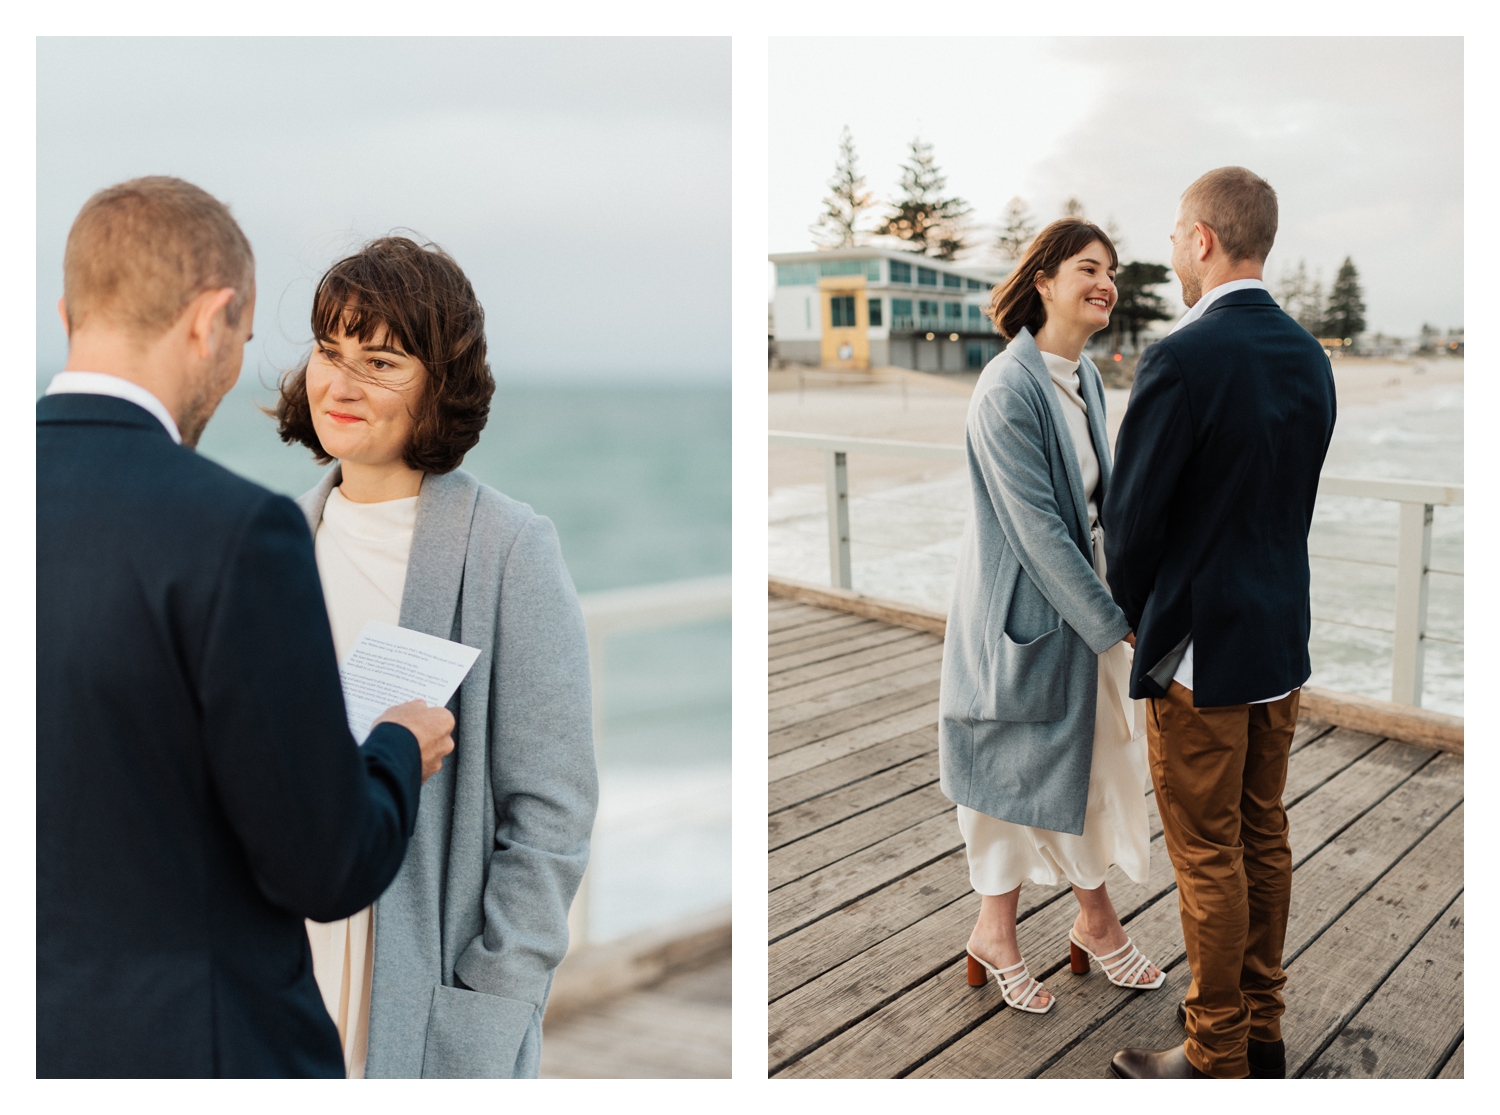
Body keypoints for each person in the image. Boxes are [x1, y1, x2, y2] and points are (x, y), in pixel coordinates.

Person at [37, 177, 457, 1078]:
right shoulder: (236, 531)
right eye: (247, 338)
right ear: (211, 319)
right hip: (202, 1049)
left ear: (71, 310)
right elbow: (325, 864)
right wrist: (392, 745)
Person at [273, 236, 598, 1078]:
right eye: (329, 351)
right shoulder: (268, 542)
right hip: (274, 974)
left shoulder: (508, 549)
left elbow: (552, 810)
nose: (339, 386)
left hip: (419, 989)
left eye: (380, 361)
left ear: (440, 385)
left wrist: (496, 985)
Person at [1103, 168, 1336, 1079]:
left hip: (1202, 651)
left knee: (1207, 854)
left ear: (1202, 239)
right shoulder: (1309, 354)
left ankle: (1213, 1053)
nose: (1171, 247)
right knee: (1264, 833)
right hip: (1278, 639)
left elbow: (1132, 522)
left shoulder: (1182, 356)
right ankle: (1263, 1031)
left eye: (1174, 232)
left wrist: (1131, 618)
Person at [938, 218, 1164, 1016]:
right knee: (1019, 774)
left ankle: (1025, 928)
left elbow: (1099, 512)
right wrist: (1117, 626)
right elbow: (1037, 530)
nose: (1105, 283)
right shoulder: (1007, 387)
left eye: (1113, 272)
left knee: (1089, 768)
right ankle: (1088, 923)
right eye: (1087, 268)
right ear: (1043, 280)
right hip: (1025, 621)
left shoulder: (1086, 377)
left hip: (1083, 614)